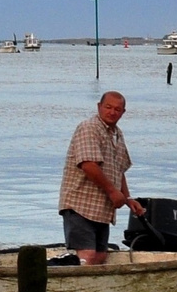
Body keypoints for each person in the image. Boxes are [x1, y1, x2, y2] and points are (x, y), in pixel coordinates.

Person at [59, 91, 146, 265]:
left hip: (101, 209)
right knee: (88, 256)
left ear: (123, 112)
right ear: (99, 107)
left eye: (117, 109)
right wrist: (113, 192)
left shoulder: (117, 134)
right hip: (80, 205)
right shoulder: (89, 128)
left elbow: (118, 170)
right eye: (108, 107)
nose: (112, 112)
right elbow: (88, 165)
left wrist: (128, 198)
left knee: (100, 257)